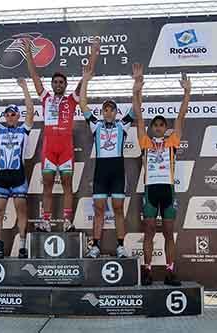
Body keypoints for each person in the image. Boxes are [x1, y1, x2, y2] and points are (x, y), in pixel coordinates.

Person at [23, 38, 96, 232]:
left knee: (67, 184)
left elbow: (85, 76)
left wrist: (94, 53)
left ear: (65, 85)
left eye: (61, 82)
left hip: (65, 149)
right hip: (49, 148)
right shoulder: (45, 97)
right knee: (47, 185)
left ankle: (67, 221)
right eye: (55, 82)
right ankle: (46, 221)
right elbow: (34, 76)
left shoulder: (72, 99)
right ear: (52, 84)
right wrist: (29, 55)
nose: (58, 84)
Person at [131, 63, 191, 286]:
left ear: (165, 128)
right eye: (155, 125)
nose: (157, 127)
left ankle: (170, 270)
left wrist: (187, 92)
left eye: (161, 125)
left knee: (168, 232)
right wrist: (137, 89)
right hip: (150, 191)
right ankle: (147, 270)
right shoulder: (145, 142)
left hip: (167, 190)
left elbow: (181, 117)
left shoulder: (172, 141)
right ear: (151, 128)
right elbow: (138, 116)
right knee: (148, 233)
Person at [80, 58, 134, 259]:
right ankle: (95, 246)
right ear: (102, 112)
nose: (109, 111)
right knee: (99, 209)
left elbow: (135, 110)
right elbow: (83, 103)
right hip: (101, 170)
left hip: (117, 170)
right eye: (106, 109)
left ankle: (120, 246)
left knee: (118, 209)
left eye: (112, 108)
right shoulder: (96, 125)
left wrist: (136, 88)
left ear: (116, 112)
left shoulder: (123, 125)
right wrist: (85, 80)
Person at [0, 78, 35, 259]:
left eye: (13, 114)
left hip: (18, 176)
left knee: (21, 211)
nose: (10, 117)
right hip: (2, 178)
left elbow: (31, 111)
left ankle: (22, 246)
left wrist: (25, 88)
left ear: (18, 116)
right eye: (7, 114)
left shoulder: (24, 130)